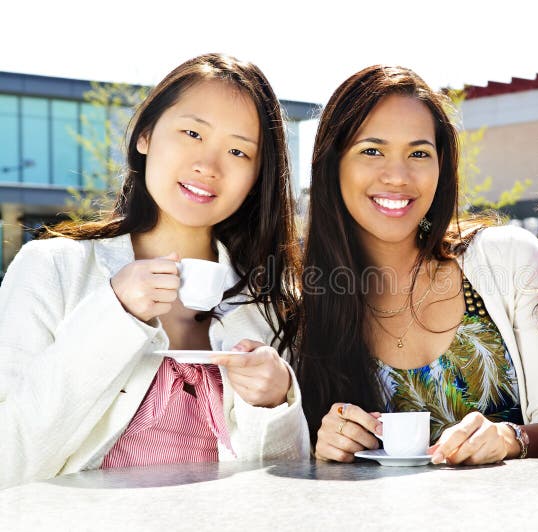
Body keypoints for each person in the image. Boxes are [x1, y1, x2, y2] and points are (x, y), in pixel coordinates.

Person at [0, 53, 310, 487]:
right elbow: (9, 461)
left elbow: (284, 487)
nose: (208, 165)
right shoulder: (52, 268)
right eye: (191, 132)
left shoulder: (268, 302)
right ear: (145, 134)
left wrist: (275, 404)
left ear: (257, 176)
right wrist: (115, 314)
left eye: (239, 151)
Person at [293, 65, 538, 465]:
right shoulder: (307, 304)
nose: (397, 175)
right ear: (332, 164)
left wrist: (509, 438)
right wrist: (327, 444)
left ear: (441, 167)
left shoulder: (510, 258)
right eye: (372, 150)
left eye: (419, 153)